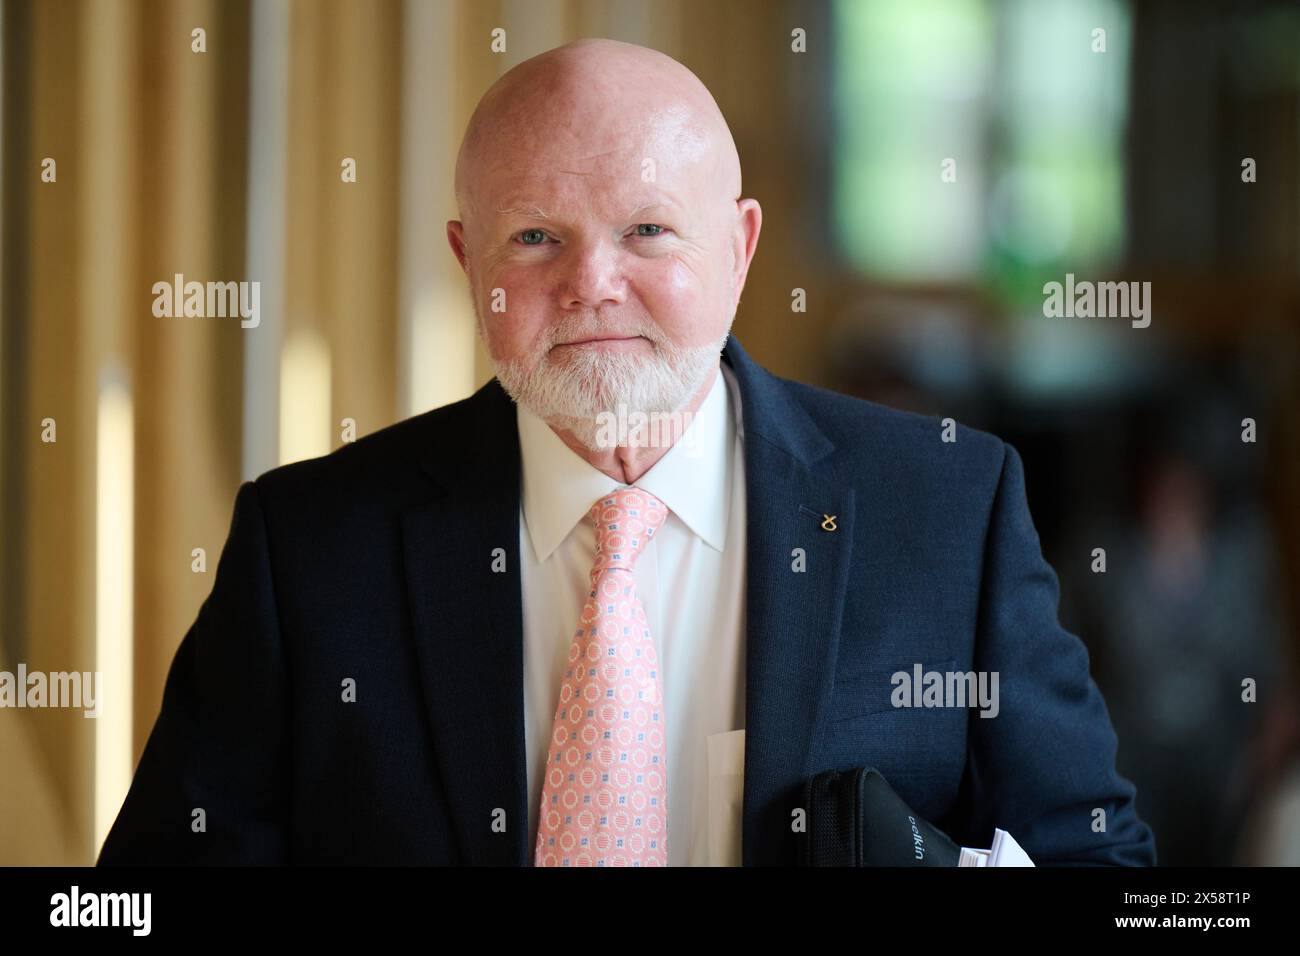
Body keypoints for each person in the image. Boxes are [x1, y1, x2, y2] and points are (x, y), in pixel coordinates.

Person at [97, 38, 1154, 866]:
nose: (592, 283)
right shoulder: (312, 543)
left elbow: (1103, 863)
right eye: (535, 237)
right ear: (470, 262)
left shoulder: (945, 509)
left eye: (647, 231)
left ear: (738, 249)